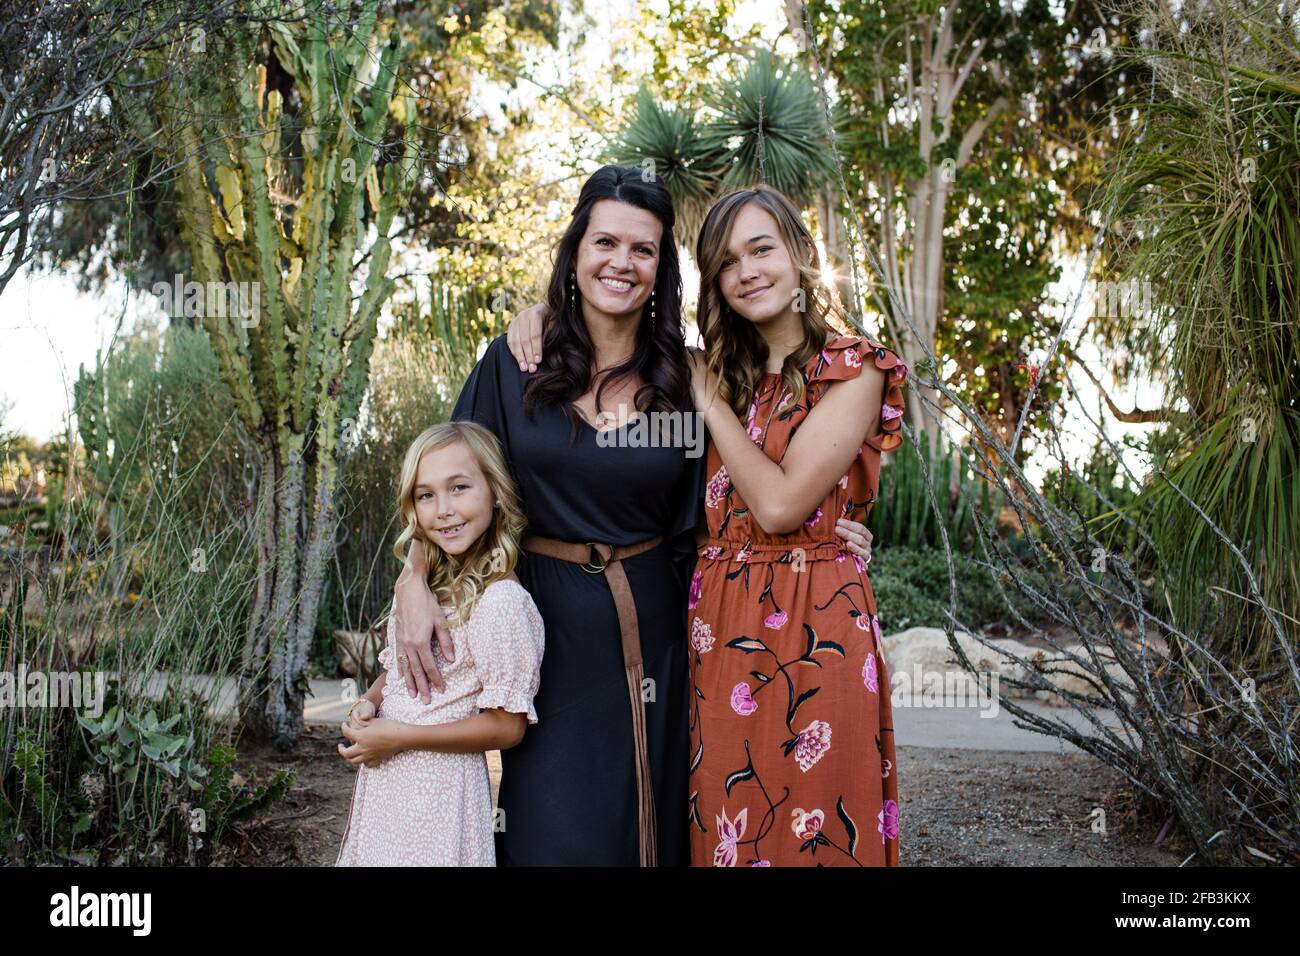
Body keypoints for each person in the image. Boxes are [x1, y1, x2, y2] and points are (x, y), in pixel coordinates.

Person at [685, 185, 907, 866]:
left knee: (817, 828)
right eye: (728, 262)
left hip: (820, 619)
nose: (747, 271)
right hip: (715, 624)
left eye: (762, 249)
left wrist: (707, 403)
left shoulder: (854, 368)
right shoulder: (721, 369)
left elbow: (781, 507)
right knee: (726, 821)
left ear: (802, 254)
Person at [335, 421, 544, 866]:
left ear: (495, 490)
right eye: (425, 495)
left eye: (459, 488)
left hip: (439, 796)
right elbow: (399, 675)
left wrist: (402, 737)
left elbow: (508, 726)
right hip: (387, 789)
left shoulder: (501, 602)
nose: (443, 509)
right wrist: (369, 705)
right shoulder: (423, 589)